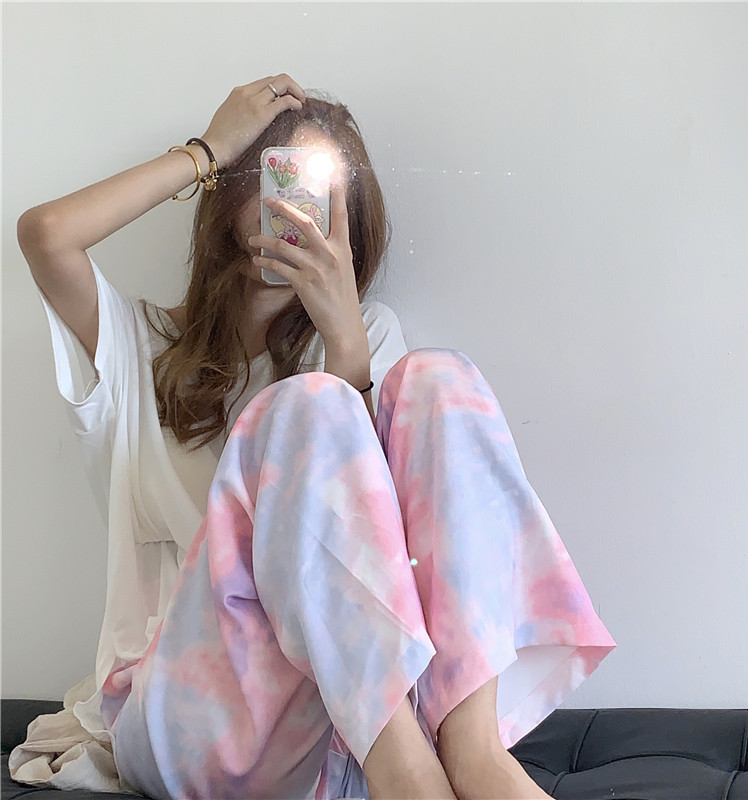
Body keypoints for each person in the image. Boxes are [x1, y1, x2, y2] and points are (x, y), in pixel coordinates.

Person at [9, 73, 617, 800]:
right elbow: (46, 235)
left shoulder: (368, 337)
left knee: (440, 379)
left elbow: (390, 561)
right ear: (234, 193)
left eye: (320, 190)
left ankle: (473, 751)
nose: (295, 207)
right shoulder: (138, 346)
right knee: (306, 406)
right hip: (189, 713)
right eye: (277, 176)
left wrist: (344, 341)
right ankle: (406, 775)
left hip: (333, 724)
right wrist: (208, 149)